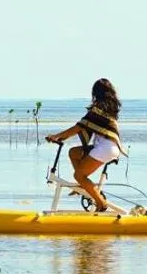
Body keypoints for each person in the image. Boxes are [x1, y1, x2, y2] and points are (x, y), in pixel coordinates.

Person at [45, 79, 125, 213]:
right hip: (108, 147)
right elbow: (83, 126)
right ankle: (83, 186)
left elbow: (79, 127)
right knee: (74, 152)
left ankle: (101, 203)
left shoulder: (98, 109)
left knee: (79, 176)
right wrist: (61, 137)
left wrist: (56, 136)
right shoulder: (107, 109)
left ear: (96, 93)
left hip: (105, 148)